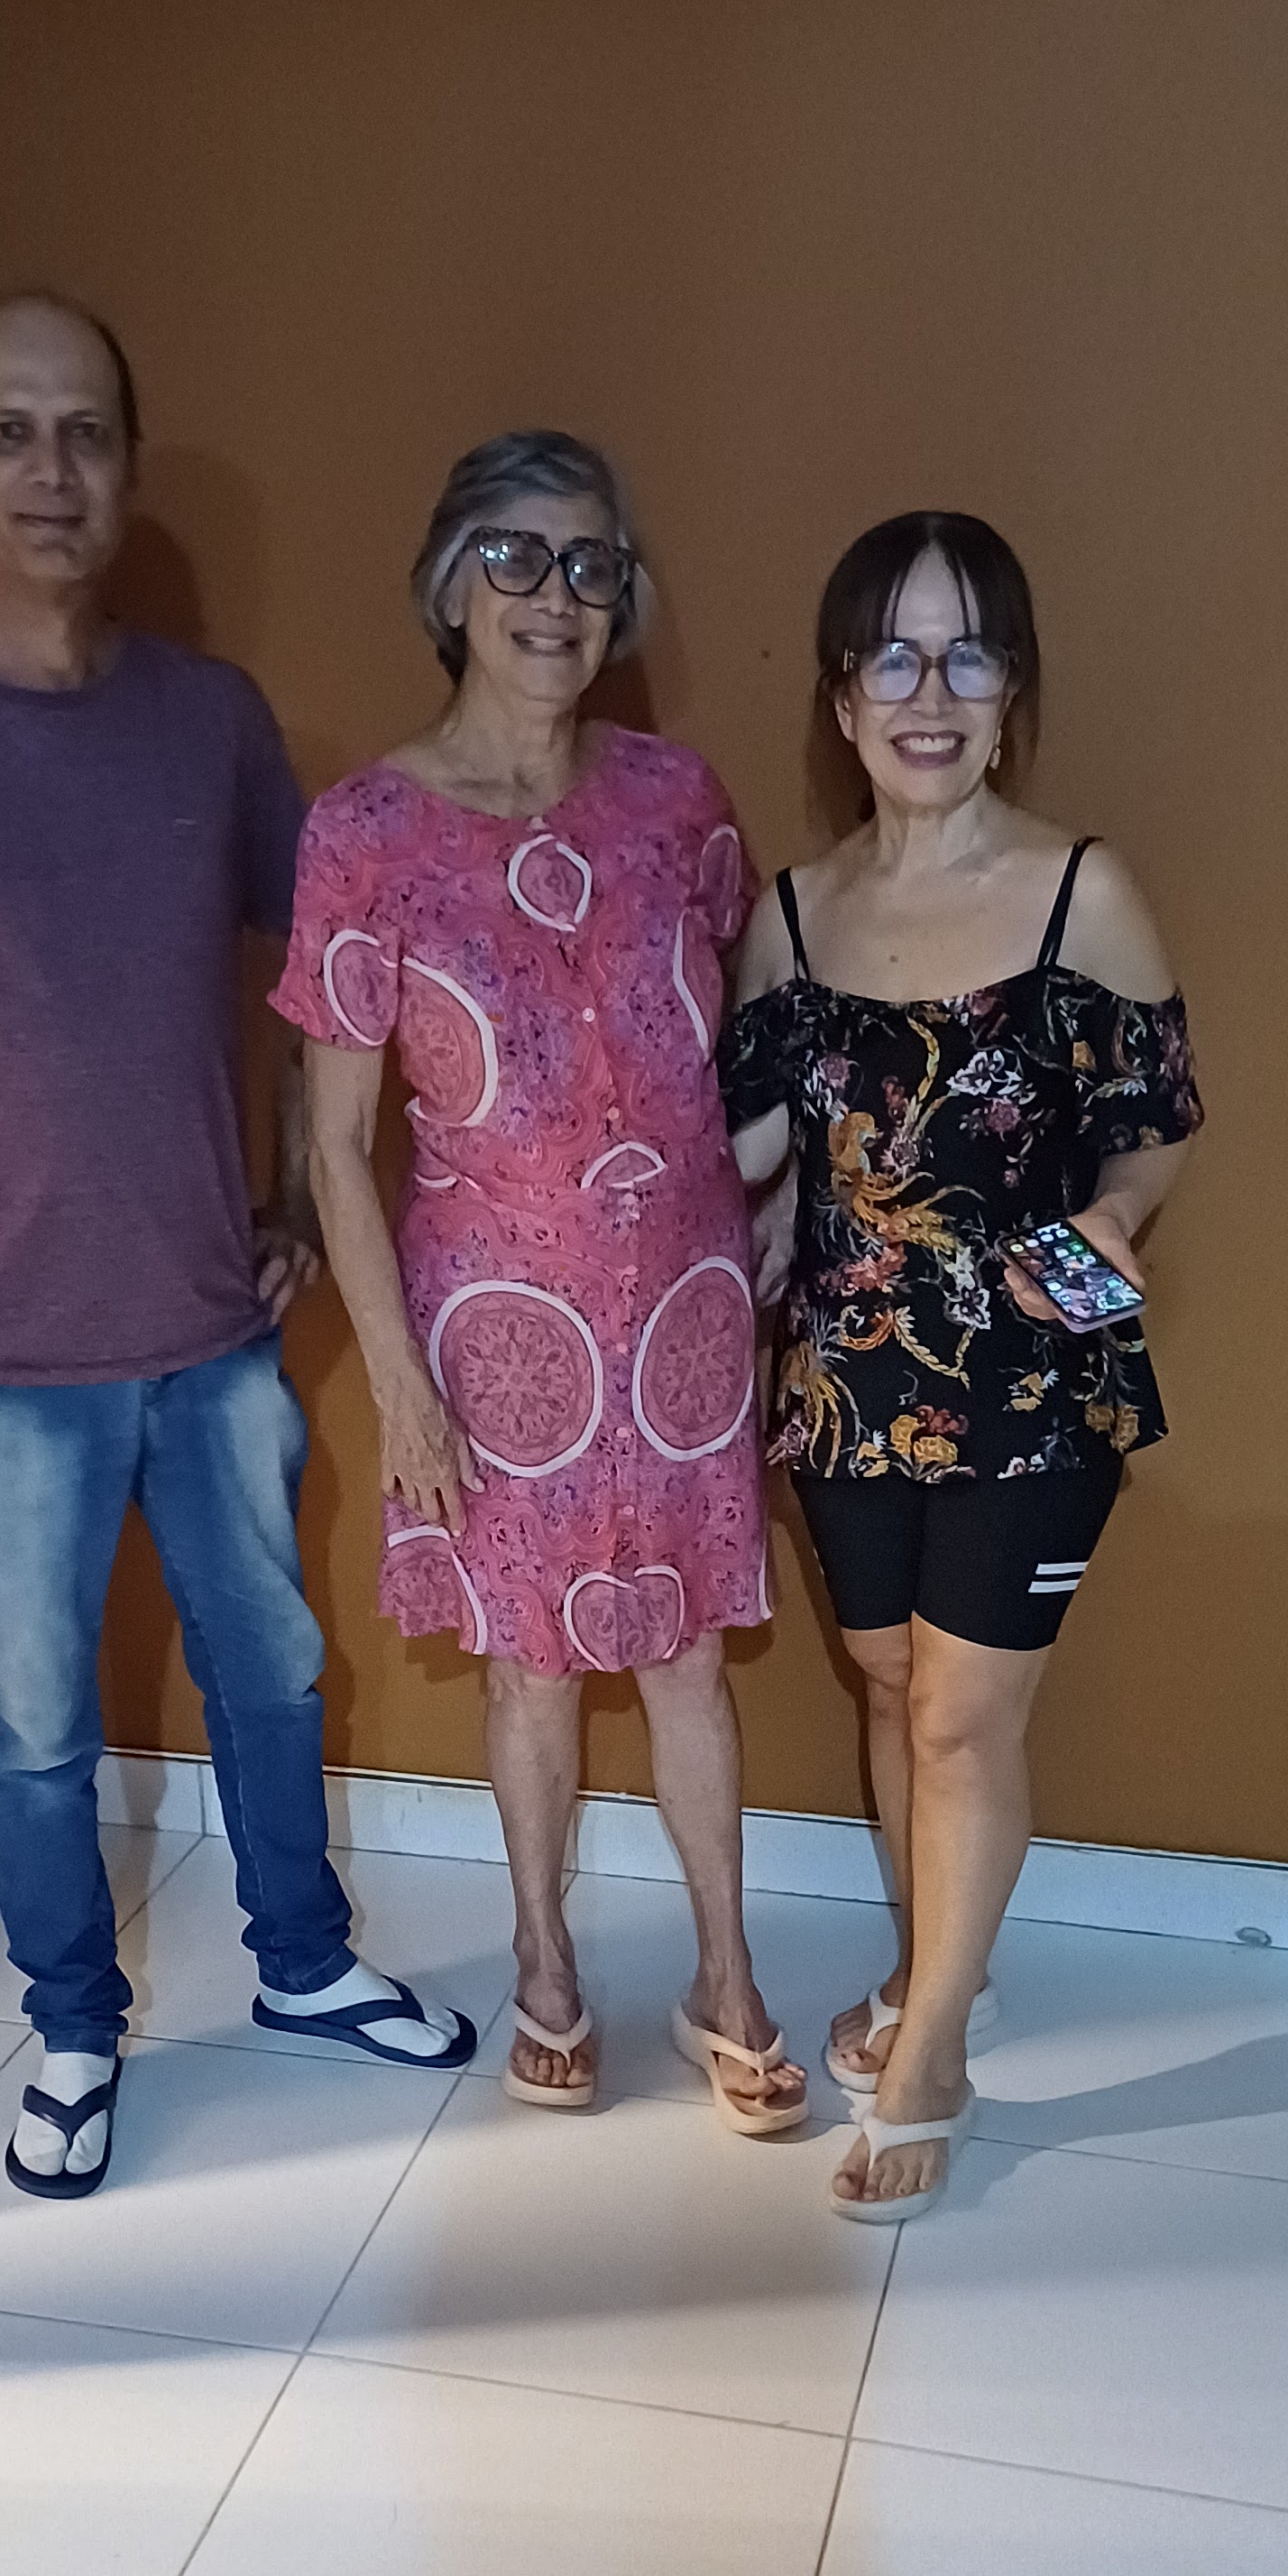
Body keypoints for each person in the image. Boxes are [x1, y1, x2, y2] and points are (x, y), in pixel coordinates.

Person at [0, 291, 472, 2202]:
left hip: (209, 1330)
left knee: (275, 1674)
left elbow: (315, 972)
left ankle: (303, 1966)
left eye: (84, 431)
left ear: (128, 462)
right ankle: (75, 2027)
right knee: (29, 1732)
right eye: (9, 431)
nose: (51, 469)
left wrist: (292, 1196)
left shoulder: (211, 721)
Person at [279, 430, 805, 2128]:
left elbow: (752, 1031)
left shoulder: (678, 799)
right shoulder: (364, 835)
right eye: (514, 557)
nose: (555, 596)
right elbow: (333, 1147)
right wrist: (402, 1386)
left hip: (684, 1310)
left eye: (590, 563)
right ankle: (546, 1967)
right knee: (530, 1666)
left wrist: (785, 1198)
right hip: (494, 1331)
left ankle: (725, 1978)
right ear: (451, 585)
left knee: (686, 1657)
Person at [722, 510, 1202, 2218]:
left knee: (960, 1716)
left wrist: (1120, 1212)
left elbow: (1157, 1118)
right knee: (887, 1689)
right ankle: (945, 1963)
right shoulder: (791, 916)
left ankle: (931, 2054)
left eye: (969, 654)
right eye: (895, 658)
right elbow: (756, 1148)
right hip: (847, 1382)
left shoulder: (1085, 891)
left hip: (1034, 1379)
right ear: (843, 699)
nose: (930, 694)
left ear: (1013, 691)